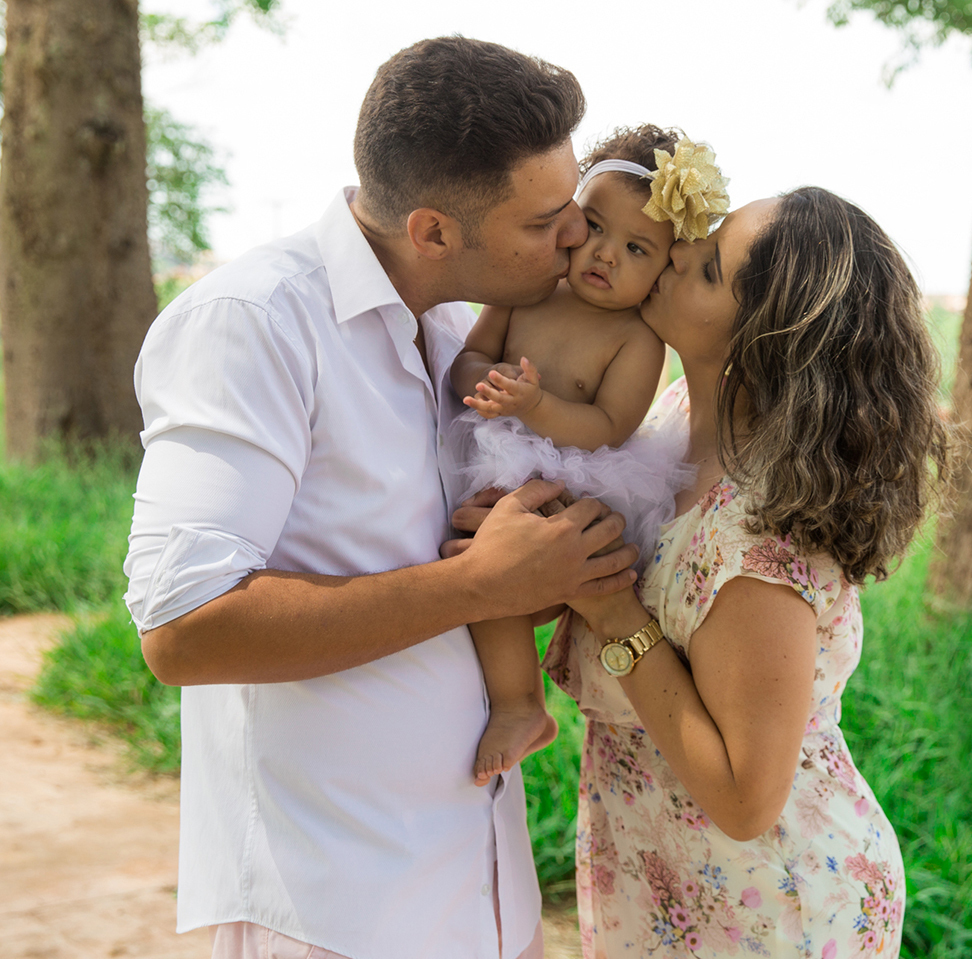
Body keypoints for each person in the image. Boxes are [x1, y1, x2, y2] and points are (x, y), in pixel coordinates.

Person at [122, 37, 640, 959]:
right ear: (434, 230)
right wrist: (481, 586)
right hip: (334, 907)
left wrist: (547, 566)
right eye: (546, 219)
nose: (574, 237)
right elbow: (182, 627)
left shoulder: (459, 331)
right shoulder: (251, 325)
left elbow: (455, 572)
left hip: (483, 892)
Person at [540, 187, 958, 957]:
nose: (669, 259)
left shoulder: (758, 533)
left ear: (758, 339)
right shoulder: (667, 419)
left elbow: (744, 797)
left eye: (705, 270)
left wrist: (614, 615)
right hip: (666, 864)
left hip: (766, 898)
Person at [449, 126, 729, 786]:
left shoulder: (638, 337)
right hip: (501, 449)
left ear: (665, 268)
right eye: (595, 226)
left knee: (497, 579)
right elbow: (470, 354)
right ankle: (495, 692)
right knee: (476, 572)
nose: (605, 254)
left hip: (574, 475)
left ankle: (521, 703)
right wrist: (482, 384)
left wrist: (535, 405)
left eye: (636, 249)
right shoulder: (528, 289)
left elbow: (608, 424)